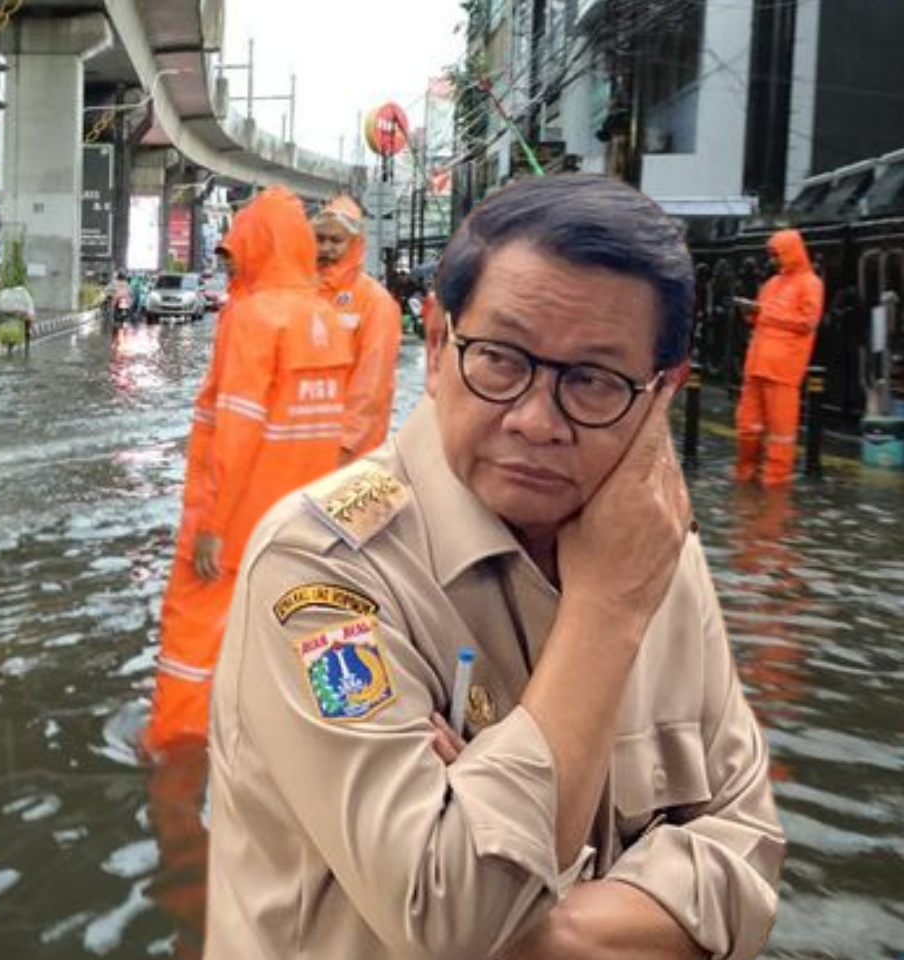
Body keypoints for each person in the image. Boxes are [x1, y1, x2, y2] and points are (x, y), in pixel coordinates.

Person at [204, 175, 783, 960]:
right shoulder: (320, 570)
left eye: (592, 381)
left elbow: (750, 864)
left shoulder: (661, 554)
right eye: (502, 359)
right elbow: (454, 922)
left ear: (661, 395)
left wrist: (541, 920)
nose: (537, 421)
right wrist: (605, 615)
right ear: (438, 345)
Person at [144, 186, 354, 757]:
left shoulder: (254, 318)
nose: (230, 260)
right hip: (304, 525)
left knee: (190, 638)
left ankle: (174, 754)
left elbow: (236, 432)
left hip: (234, 526)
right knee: (306, 634)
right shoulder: (327, 319)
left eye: (237, 248)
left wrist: (212, 525)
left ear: (260, 243)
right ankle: (331, 744)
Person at [315, 196, 404, 464]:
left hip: (351, 453)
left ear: (355, 243)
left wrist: (346, 446)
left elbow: (371, 387)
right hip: (306, 447)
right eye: (321, 239)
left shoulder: (375, 301)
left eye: (336, 240)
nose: (327, 248)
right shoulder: (304, 291)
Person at [734, 229, 825, 487]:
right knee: (747, 428)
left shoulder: (811, 284)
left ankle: (775, 485)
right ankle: (745, 477)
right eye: (772, 254)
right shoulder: (772, 284)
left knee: (780, 434)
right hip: (757, 365)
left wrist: (763, 313)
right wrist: (751, 312)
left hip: (784, 369)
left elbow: (807, 322)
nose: (773, 259)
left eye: (777, 254)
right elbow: (761, 319)